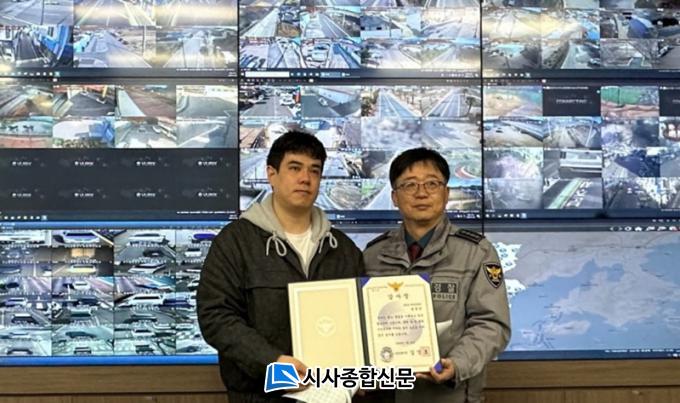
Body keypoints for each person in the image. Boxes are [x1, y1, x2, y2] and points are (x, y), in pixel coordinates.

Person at [197, 130, 365, 403]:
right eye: (295, 168)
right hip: (259, 396)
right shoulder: (235, 242)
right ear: (271, 174)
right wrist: (273, 365)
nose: (305, 178)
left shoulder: (343, 249)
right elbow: (216, 317)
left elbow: (362, 321)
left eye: (314, 170)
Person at [363, 148, 511, 403]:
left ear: (446, 193)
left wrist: (457, 364)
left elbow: (491, 324)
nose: (421, 193)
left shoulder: (477, 252)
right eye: (409, 185)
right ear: (395, 197)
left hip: (450, 395)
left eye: (432, 183)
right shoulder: (373, 254)